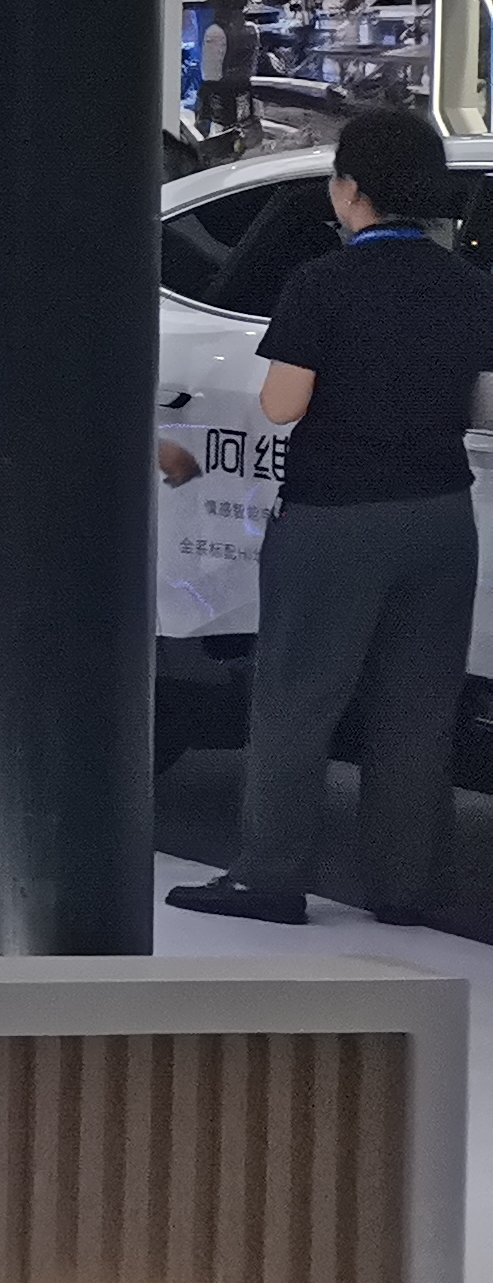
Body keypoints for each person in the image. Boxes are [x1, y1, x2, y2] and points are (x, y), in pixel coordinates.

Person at [171, 105, 493, 927]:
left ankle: (269, 876)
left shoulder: (322, 283)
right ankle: (406, 886)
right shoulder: (469, 286)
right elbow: (480, 402)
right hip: (441, 517)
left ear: (350, 189)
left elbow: (283, 404)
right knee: (418, 708)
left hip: (336, 516)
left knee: (297, 697)